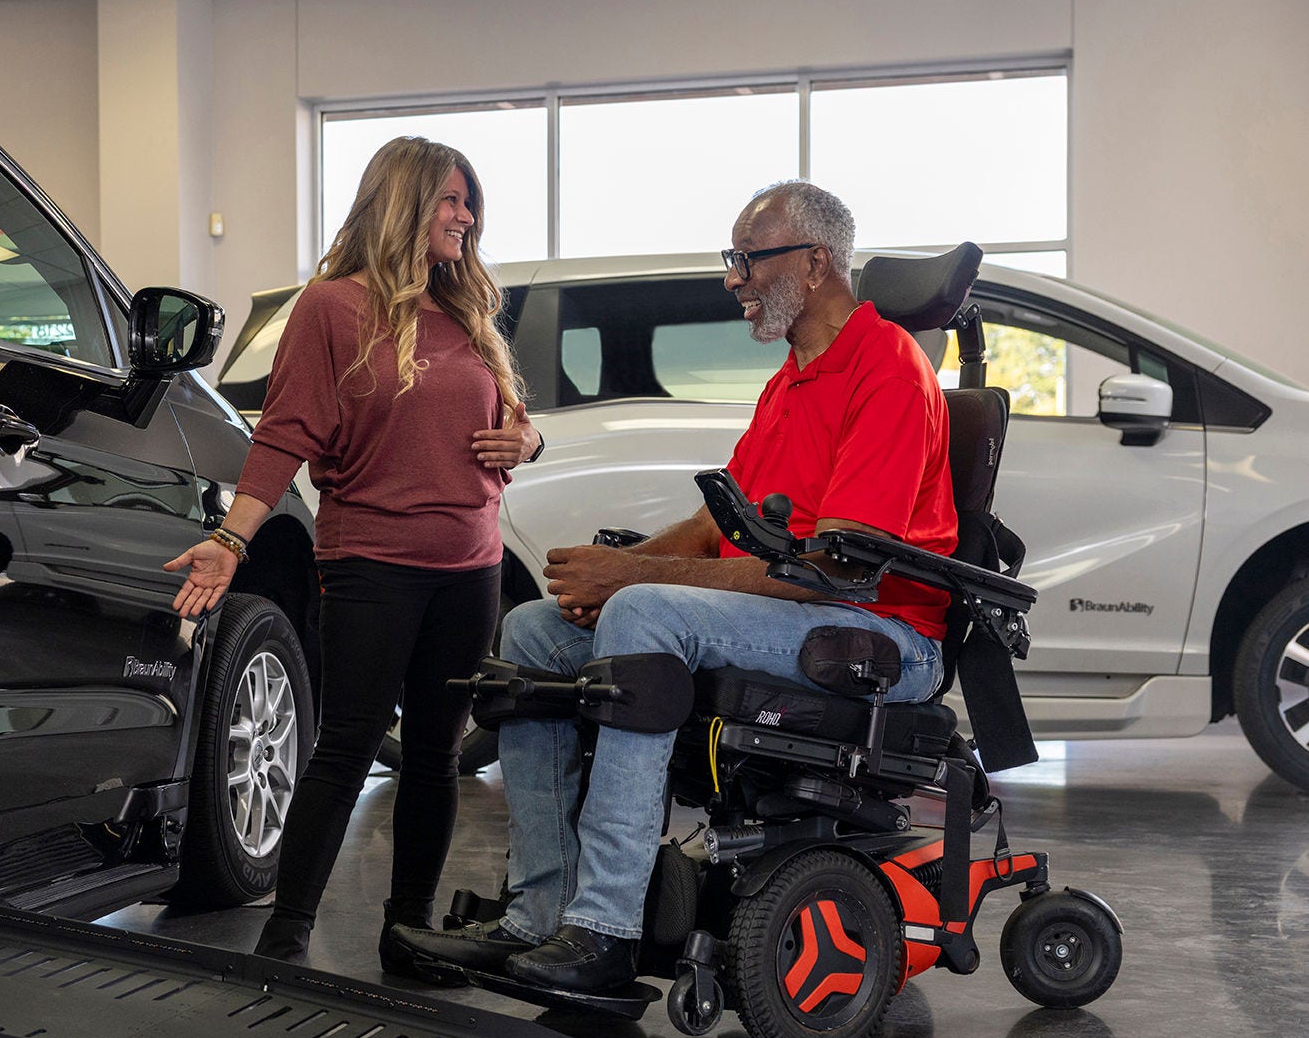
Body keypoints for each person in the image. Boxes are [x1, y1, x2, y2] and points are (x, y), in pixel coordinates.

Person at [394, 180, 958, 994]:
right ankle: (540, 915)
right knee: (533, 634)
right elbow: (713, 526)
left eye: (747, 258)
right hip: (808, 610)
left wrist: (632, 576)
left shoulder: (888, 371)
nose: (733, 278)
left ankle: (605, 931)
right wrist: (603, 576)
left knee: (645, 611)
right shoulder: (792, 380)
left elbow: (838, 571)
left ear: (816, 260)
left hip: (882, 634)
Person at [163, 136, 541, 972]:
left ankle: (408, 932)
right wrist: (233, 539)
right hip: (373, 561)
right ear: (403, 203)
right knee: (344, 749)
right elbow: (284, 434)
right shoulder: (331, 308)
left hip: (471, 567)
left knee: (438, 756)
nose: (465, 217)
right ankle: (286, 935)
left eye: (469, 201)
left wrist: (529, 440)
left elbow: (515, 424)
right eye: (449, 200)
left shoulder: (469, 310)